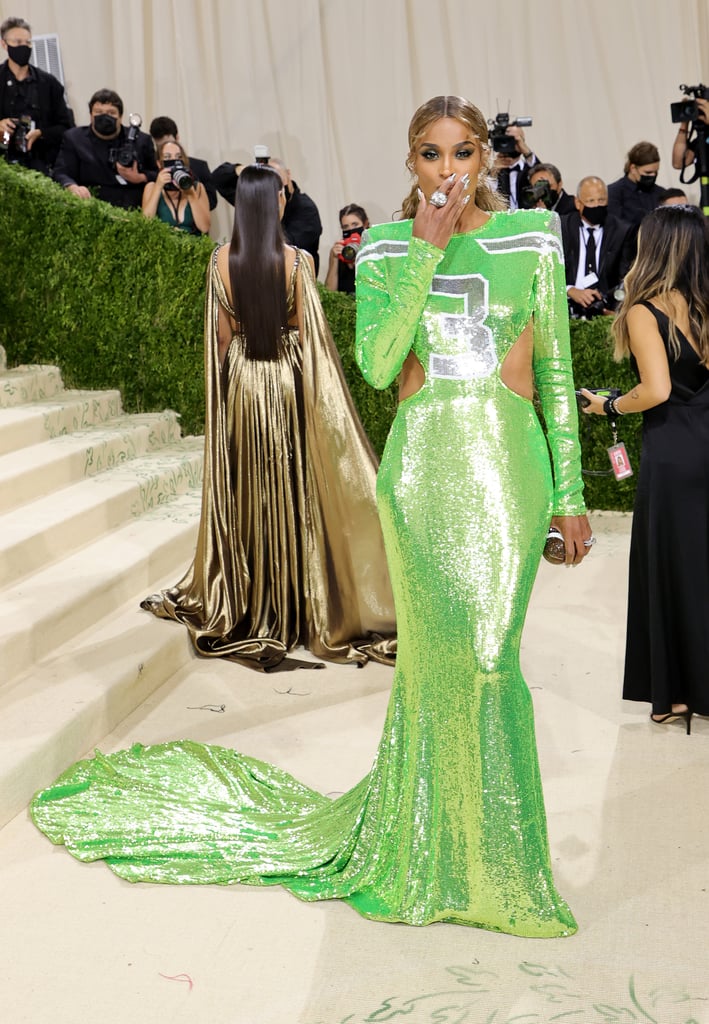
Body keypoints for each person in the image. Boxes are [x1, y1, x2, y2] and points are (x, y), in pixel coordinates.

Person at [31, 98, 591, 941]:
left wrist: (572, 494)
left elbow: (553, 373)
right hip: (421, 472)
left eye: (464, 153)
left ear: (487, 158)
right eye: (432, 156)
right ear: (411, 164)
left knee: (487, 659)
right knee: (437, 667)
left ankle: (499, 862)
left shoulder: (533, 240)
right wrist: (423, 257)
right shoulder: (386, 252)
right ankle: (436, 850)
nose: (449, 170)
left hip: (508, 472)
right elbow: (372, 366)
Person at [139, 163, 394, 669]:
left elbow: (221, 338)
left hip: (242, 383)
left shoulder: (218, 262)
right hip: (287, 378)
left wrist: (239, 376)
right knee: (297, 487)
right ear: (273, 203)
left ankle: (253, 596)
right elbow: (306, 330)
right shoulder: (297, 262)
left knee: (250, 487)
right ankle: (303, 602)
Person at [579, 205, 709, 735]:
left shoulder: (643, 310)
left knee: (670, 567)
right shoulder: (704, 304)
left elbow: (655, 391)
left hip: (674, 449)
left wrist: (609, 406)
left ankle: (673, 695)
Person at [213, 153, 323, 272]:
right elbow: (218, 178)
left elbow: (287, 248)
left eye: (276, 182)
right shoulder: (256, 201)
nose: (272, 188)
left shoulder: (306, 210)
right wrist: (246, 171)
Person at [53, 88, 157, 208]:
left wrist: (140, 178)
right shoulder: (74, 138)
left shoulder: (142, 141)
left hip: (132, 207)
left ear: (120, 116)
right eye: (98, 112)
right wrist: (72, 186)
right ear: (91, 115)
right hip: (91, 206)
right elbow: (61, 172)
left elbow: (157, 174)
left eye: (111, 113)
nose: (105, 117)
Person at [0, 15, 73, 174]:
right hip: (3, 162)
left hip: (40, 163)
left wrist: (42, 133)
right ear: (4, 44)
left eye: (28, 42)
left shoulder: (48, 84)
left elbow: (66, 127)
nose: (24, 47)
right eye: (18, 42)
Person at [561, 176, 634, 318]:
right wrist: (569, 290)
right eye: (590, 201)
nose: (596, 206)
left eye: (601, 200)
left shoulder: (622, 231)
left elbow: (626, 275)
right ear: (578, 203)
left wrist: (608, 299)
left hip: (606, 308)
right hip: (566, 308)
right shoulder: (562, 228)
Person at [148, 115, 217, 211]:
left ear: (177, 138)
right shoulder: (153, 170)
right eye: (160, 146)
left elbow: (212, 202)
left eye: (170, 143)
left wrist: (190, 189)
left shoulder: (199, 167)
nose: (166, 148)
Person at [141, 139, 210, 235]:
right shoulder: (151, 188)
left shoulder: (197, 187)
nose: (174, 162)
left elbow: (204, 227)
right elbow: (145, 224)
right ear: (159, 163)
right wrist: (158, 187)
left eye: (178, 157)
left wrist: (191, 194)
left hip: (193, 246)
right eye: (167, 157)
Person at [607, 141, 667, 235]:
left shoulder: (661, 193)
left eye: (656, 172)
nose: (653, 175)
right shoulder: (614, 193)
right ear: (633, 168)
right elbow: (615, 227)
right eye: (648, 172)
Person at [491, 120, 539, 210]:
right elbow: (485, 199)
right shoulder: (491, 172)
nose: (509, 144)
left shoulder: (529, 169)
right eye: (505, 140)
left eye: (514, 140)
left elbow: (541, 177)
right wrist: (493, 174)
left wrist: (527, 152)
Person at [324, 203, 369, 292]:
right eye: (345, 227)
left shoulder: (374, 248)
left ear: (365, 224)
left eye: (355, 224)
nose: (351, 229)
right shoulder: (339, 250)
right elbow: (329, 293)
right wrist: (334, 260)